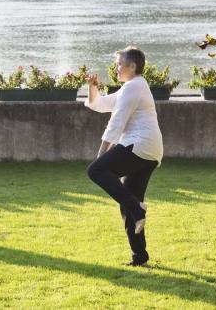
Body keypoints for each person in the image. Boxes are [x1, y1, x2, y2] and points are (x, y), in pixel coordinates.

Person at [84, 46, 164, 267]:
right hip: (148, 150)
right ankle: (140, 257)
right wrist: (92, 88)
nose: (116, 68)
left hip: (140, 145)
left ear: (132, 66)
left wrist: (100, 156)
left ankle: (137, 208)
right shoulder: (131, 87)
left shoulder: (134, 87)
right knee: (128, 201)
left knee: (96, 170)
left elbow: (116, 123)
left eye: (120, 64)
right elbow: (99, 105)